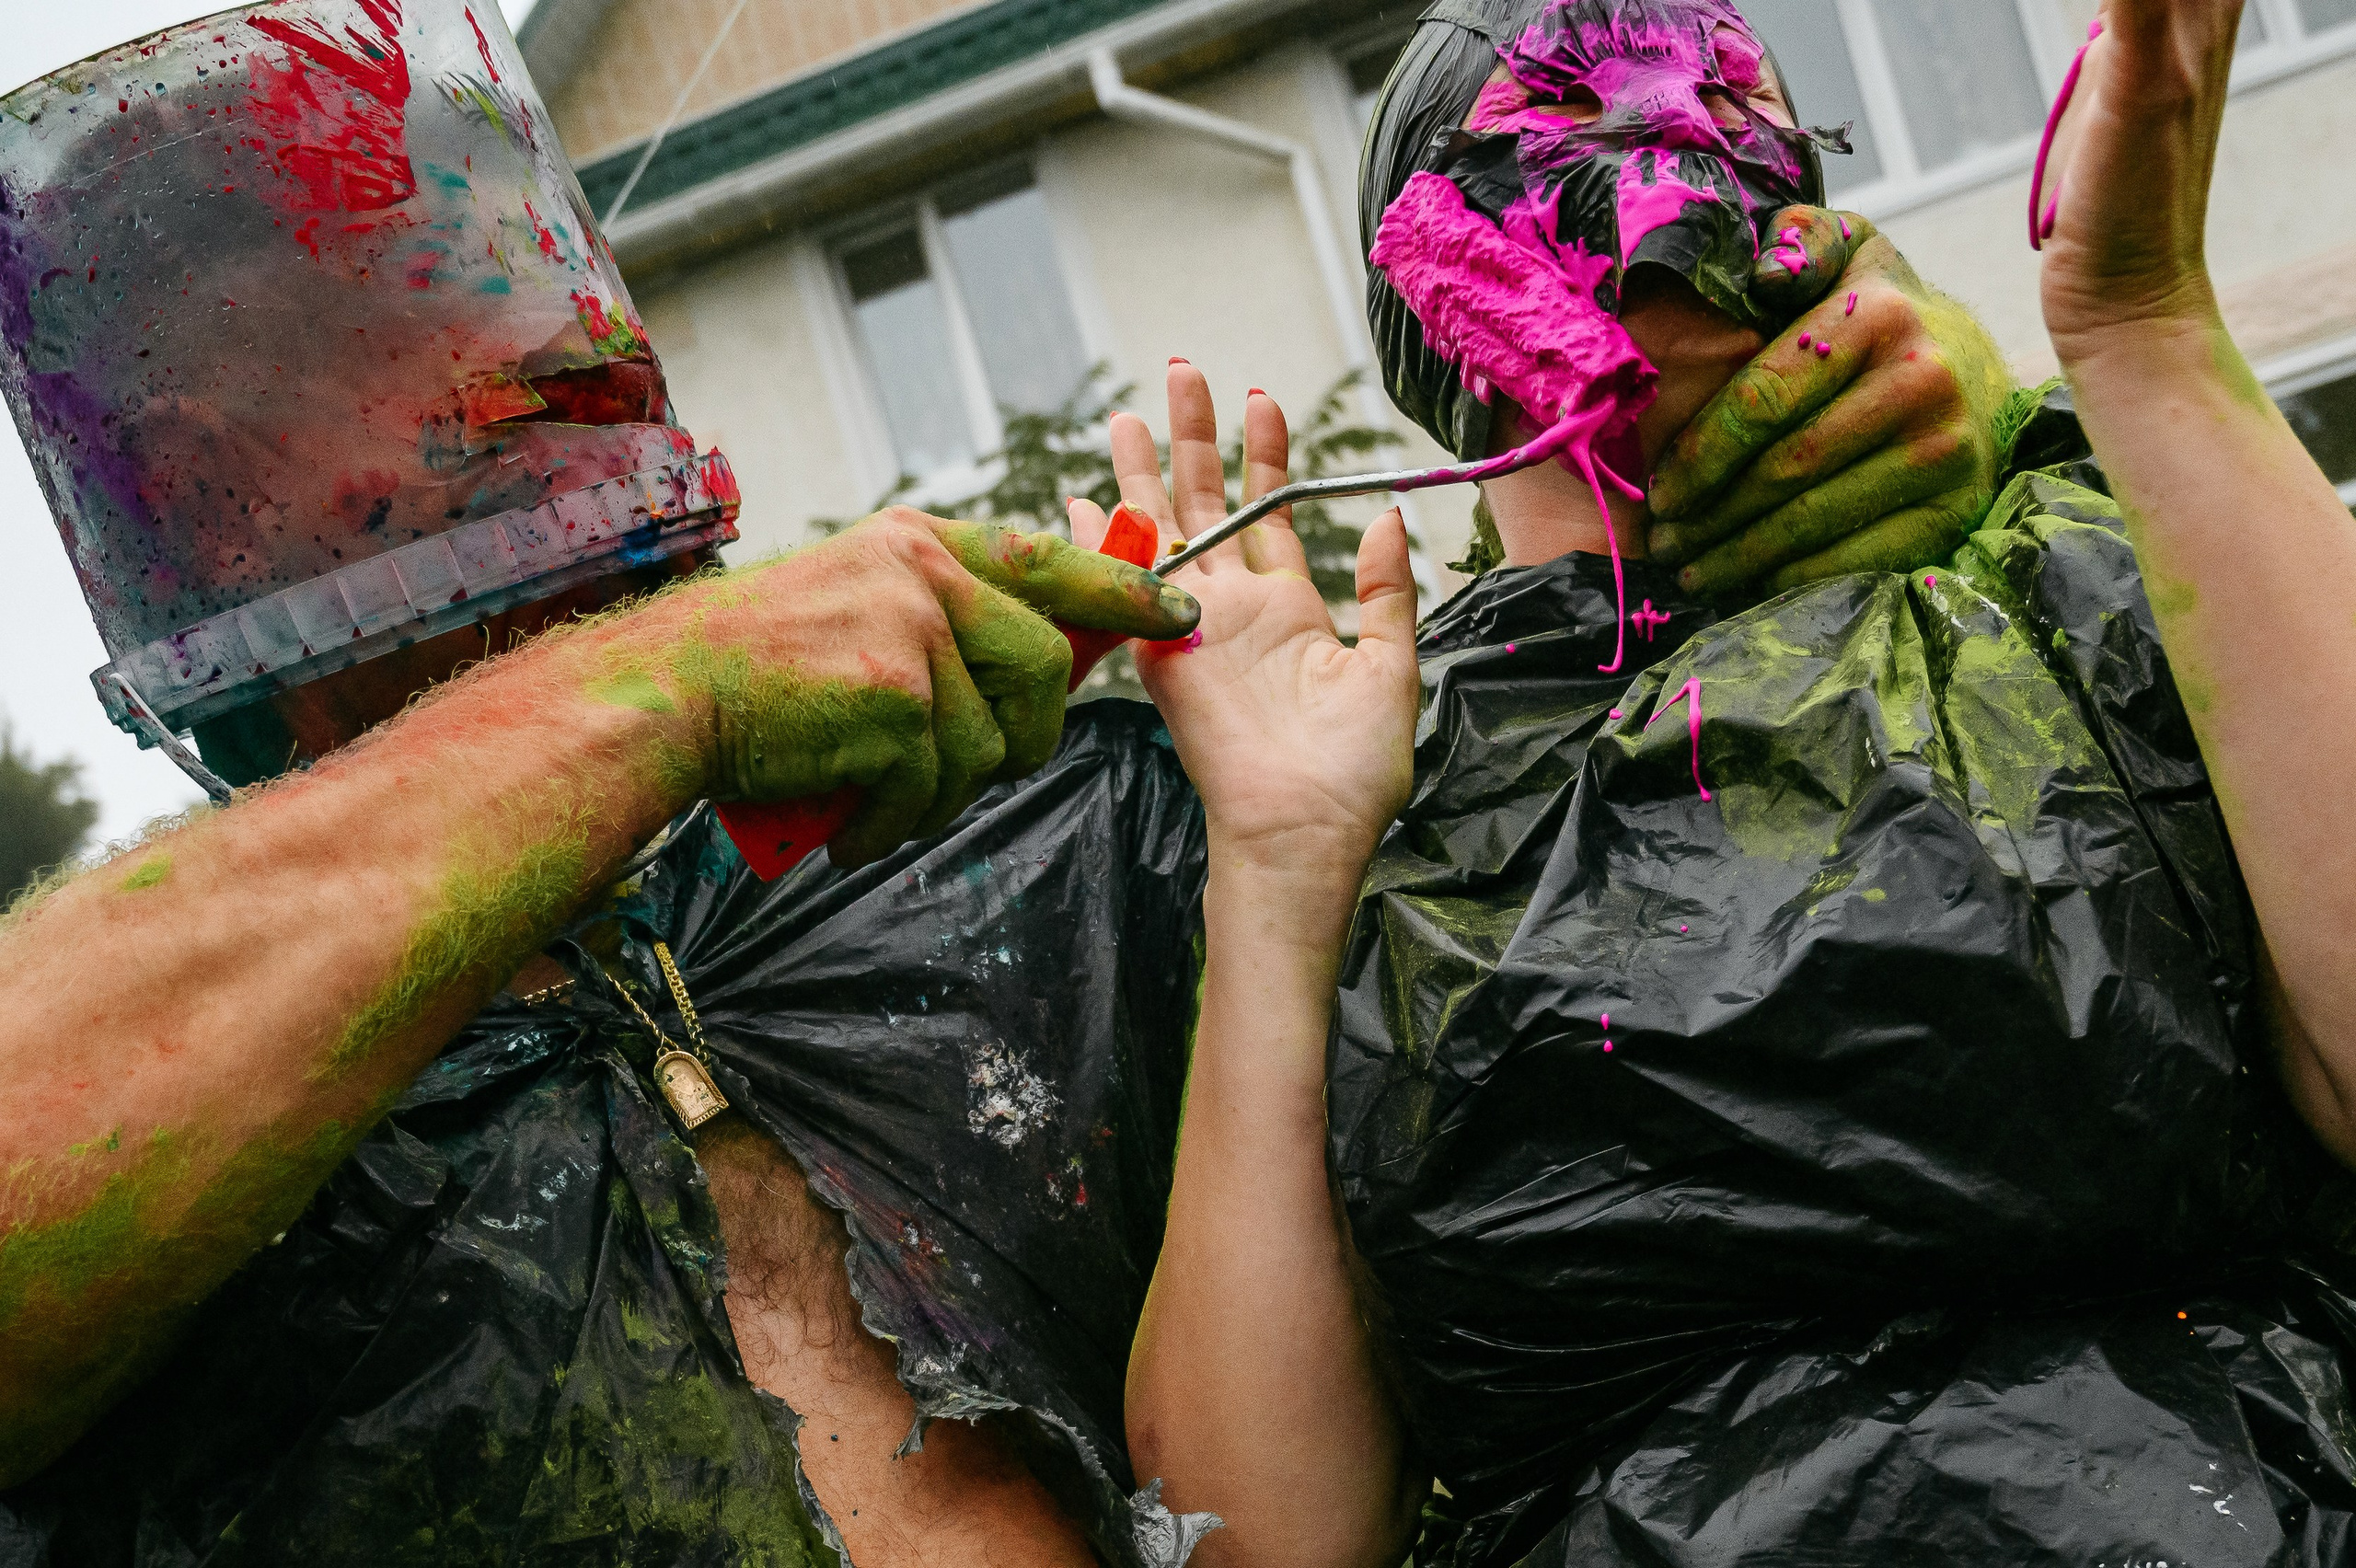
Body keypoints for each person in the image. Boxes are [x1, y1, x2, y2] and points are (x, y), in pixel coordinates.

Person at [0, 5, 2026, 1566]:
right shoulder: (194, 1089)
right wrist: (651, 692)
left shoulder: (999, 844)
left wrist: (1901, 432)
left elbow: (1627, 819)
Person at [1126, 2, 2356, 1565]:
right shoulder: (1369, 779)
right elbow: (1253, 1540)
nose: (1700, 157)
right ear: (1443, 275)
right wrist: (1283, 860)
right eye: (1593, 115)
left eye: (1744, 106)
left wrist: (2147, 334)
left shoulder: (2055, 576)